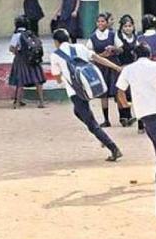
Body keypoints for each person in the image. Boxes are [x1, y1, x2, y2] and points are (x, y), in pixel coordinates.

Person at [50, 29, 123, 162]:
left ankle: (112, 147)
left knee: (90, 122)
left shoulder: (55, 55)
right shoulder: (79, 47)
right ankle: (101, 136)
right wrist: (116, 67)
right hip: (91, 86)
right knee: (78, 112)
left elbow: (57, 76)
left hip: (76, 92)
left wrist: (61, 80)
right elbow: (98, 58)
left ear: (56, 42)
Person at [86, 13, 122, 128]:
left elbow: (121, 49)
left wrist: (114, 49)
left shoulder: (113, 35)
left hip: (113, 65)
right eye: (99, 21)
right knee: (103, 94)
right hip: (100, 67)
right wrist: (102, 55)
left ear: (107, 23)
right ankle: (106, 119)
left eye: (103, 21)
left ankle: (123, 116)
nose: (100, 23)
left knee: (118, 92)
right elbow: (90, 55)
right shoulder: (92, 37)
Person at [8, 15, 46, 109]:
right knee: (37, 80)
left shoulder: (17, 35)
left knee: (20, 81)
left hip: (21, 59)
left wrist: (17, 52)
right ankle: (41, 102)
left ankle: (17, 103)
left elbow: (12, 48)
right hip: (34, 59)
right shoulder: (31, 33)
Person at [114, 15, 138, 128]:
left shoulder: (136, 37)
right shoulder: (118, 37)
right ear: (122, 27)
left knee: (131, 92)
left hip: (133, 67)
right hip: (122, 67)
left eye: (130, 26)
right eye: (125, 26)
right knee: (121, 90)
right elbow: (120, 49)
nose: (128, 28)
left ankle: (129, 115)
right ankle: (123, 116)